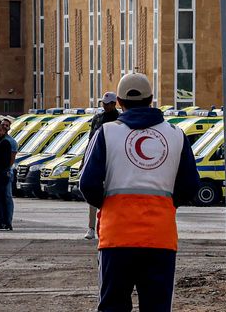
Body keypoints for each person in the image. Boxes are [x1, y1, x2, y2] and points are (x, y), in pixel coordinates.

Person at [79, 72, 199, 312]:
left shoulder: (107, 133)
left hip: (116, 237)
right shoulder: (176, 135)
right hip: (160, 238)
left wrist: (108, 205)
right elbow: (190, 185)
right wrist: (168, 205)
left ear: (119, 102)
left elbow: (87, 183)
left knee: (113, 306)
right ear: (151, 100)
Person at [83, 91, 120, 240]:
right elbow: (90, 140)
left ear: (114, 104)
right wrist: (85, 160)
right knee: (93, 192)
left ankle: (111, 227)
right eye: (103, 103)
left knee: (112, 196)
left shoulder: (120, 120)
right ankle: (91, 228)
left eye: (107, 104)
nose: (104, 106)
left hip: (113, 160)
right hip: (98, 159)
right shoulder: (97, 118)